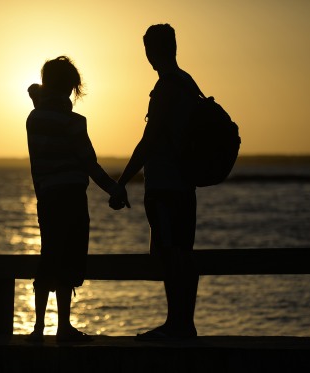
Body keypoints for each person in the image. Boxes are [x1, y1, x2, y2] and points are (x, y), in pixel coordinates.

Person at [26, 56, 127, 343]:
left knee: (49, 256)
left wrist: (40, 92)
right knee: (69, 258)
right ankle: (64, 327)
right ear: (71, 87)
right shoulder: (74, 122)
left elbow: (35, 94)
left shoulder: (34, 118)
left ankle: (37, 329)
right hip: (71, 196)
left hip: (46, 196)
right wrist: (115, 190)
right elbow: (90, 164)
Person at [109, 24, 200, 340]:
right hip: (187, 184)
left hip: (165, 185)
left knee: (170, 253)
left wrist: (121, 182)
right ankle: (182, 322)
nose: (147, 55)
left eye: (148, 49)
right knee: (181, 252)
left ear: (154, 50)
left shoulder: (165, 89)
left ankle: (178, 324)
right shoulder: (189, 84)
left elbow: (149, 141)